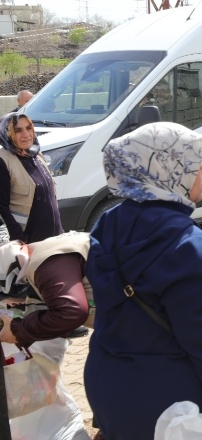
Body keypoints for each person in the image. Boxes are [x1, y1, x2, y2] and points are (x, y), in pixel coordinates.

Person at [83, 122, 202, 440]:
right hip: (173, 410)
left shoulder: (107, 225)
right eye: (192, 161)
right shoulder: (191, 249)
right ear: (165, 169)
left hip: (110, 388)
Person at [0, 231, 92, 439]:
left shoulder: (43, 264)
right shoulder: (32, 260)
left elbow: (72, 311)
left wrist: (18, 331)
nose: (12, 301)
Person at [0, 112, 63, 244]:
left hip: (54, 236)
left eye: (29, 128)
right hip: (30, 241)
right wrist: (19, 238)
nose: (26, 134)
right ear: (7, 133)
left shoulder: (35, 154)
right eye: (18, 130)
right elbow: (2, 206)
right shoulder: (4, 161)